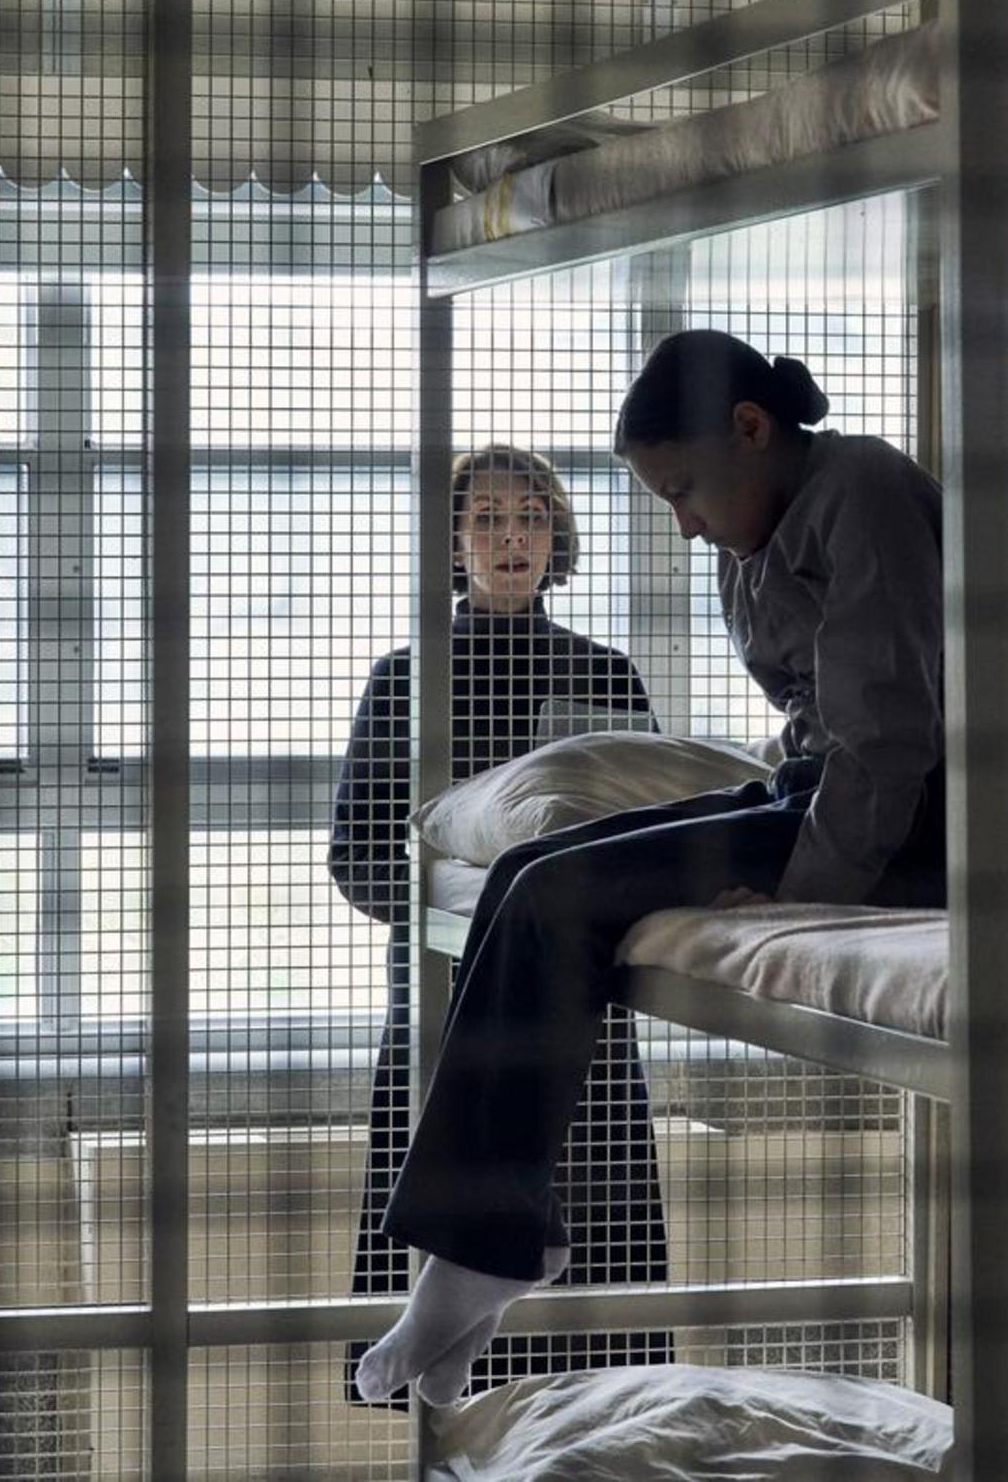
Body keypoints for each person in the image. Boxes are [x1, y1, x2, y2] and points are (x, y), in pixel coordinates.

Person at [356, 330, 1008, 1405]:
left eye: (683, 489)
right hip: (828, 784)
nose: (681, 522)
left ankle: (479, 1260)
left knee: (557, 892)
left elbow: (886, 736)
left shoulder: (860, 486)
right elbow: (817, 725)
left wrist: (801, 888)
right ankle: (489, 1250)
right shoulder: (757, 534)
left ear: (750, 429)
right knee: (531, 873)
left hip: (929, 808)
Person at [330, 443, 671, 1405]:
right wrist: (468, 918)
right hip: (443, 1004)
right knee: (444, 1275)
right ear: (452, 540)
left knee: (595, 1325)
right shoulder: (404, 677)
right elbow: (355, 851)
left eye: (530, 515)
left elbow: (649, 831)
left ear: (558, 535)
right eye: (486, 517)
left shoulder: (606, 673)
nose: (511, 534)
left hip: (583, 1012)